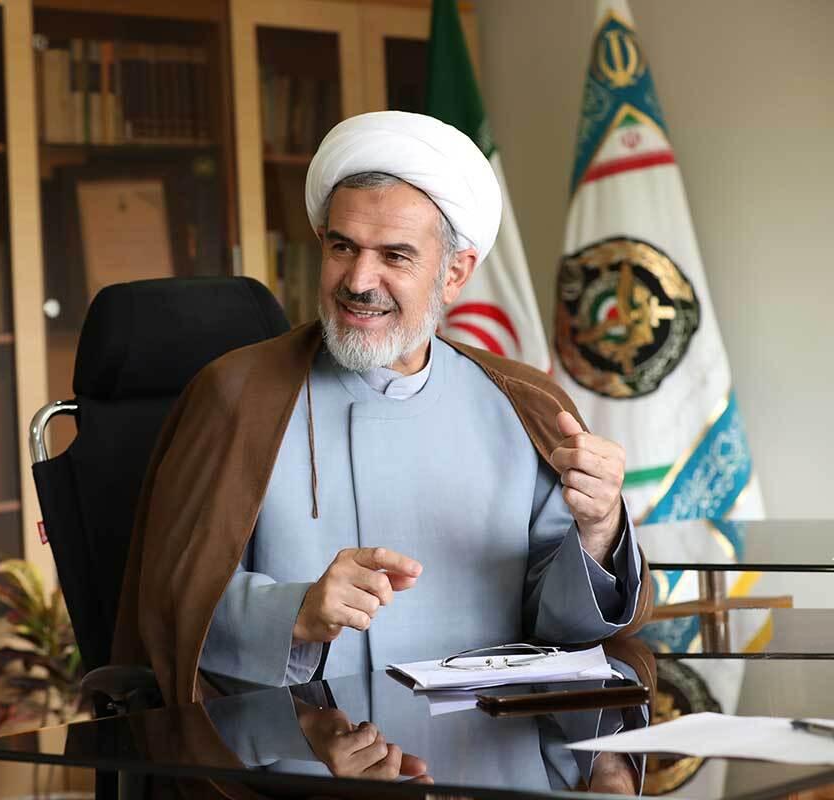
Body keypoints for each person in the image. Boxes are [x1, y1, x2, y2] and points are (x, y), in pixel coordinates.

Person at [113, 111, 650, 707]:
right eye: (343, 247)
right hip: (305, 739)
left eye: (395, 256)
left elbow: (564, 630)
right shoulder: (237, 395)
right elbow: (172, 604)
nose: (359, 280)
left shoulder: (524, 403)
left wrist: (599, 532)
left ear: (454, 274)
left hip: (489, 737)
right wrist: (294, 612)